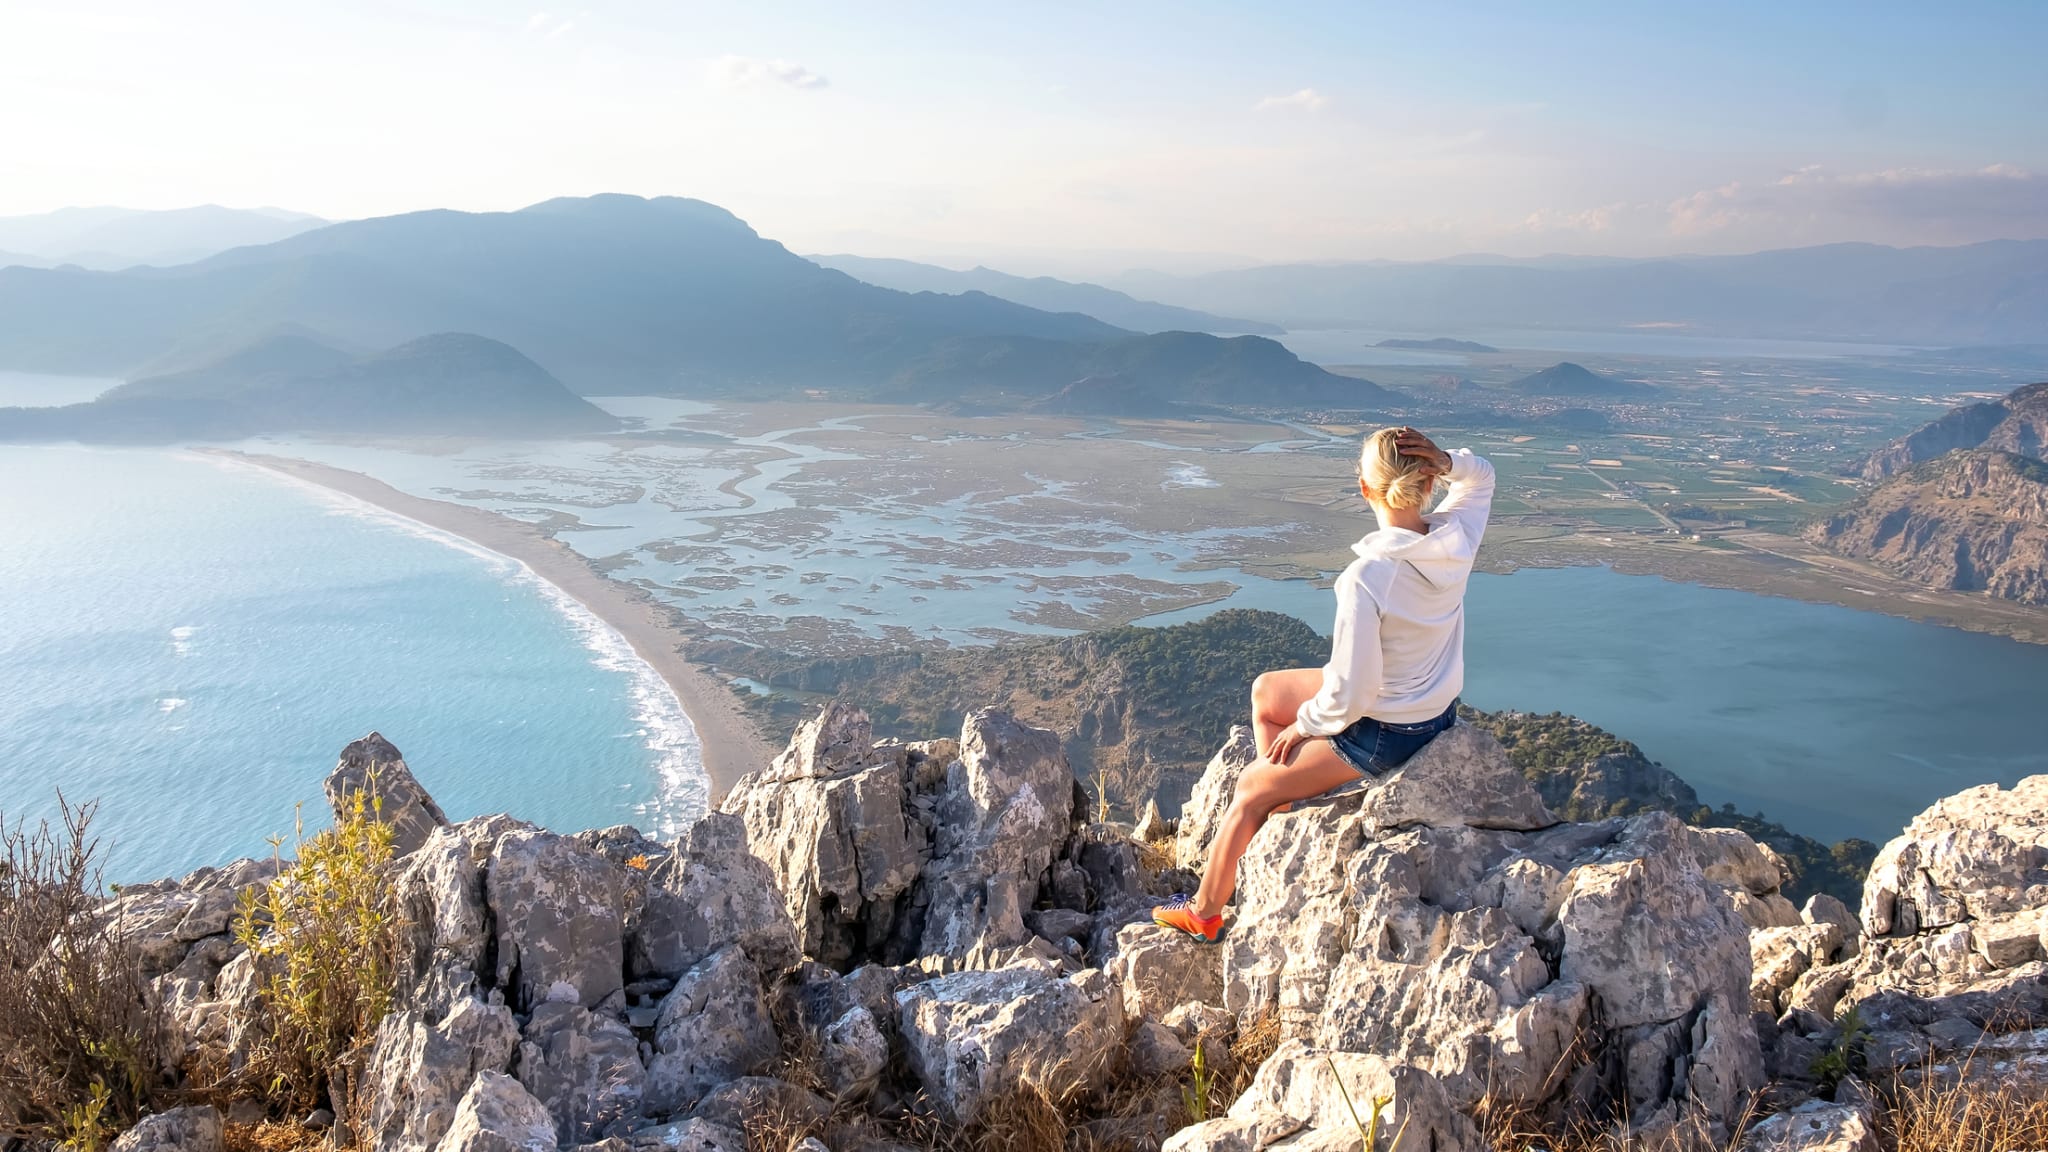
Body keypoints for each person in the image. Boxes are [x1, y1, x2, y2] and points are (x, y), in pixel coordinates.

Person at [1153, 426, 1495, 942]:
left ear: (1364, 489)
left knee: (1246, 788)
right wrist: (1451, 461)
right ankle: (1285, 802)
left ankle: (1203, 911)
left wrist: (1304, 728)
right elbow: (1484, 478)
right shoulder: (1457, 537)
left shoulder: (1367, 577)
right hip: (1433, 710)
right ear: (1430, 479)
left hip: (1388, 729)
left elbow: (1353, 691)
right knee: (1267, 692)